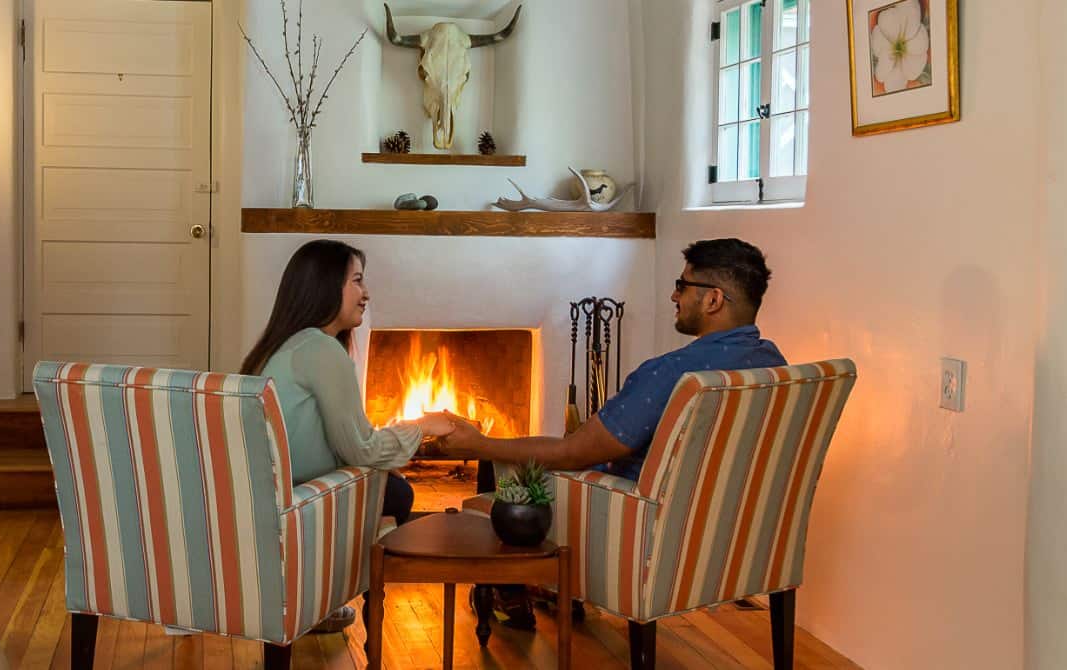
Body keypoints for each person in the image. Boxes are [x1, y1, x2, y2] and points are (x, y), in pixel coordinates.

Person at [440, 237, 787, 626]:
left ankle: (512, 587)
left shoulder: (671, 373)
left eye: (682, 285)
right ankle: (543, 585)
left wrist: (480, 443)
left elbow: (575, 453)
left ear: (713, 300)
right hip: (729, 532)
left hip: (640, 525)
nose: (674, 295)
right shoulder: (775, 367)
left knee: (508, 468)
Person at [242, 239, 460, 632]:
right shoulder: (321, 350)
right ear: (327, 286)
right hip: (302, 499)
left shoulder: (287, 345)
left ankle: (319, 598)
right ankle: (324, 599)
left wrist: (377, 463)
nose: (366, 293)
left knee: (388, 483)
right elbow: (361, 446)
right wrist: (423, 428)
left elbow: (334, 441)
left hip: (277, 493)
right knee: (399, 493)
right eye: (357, 281)